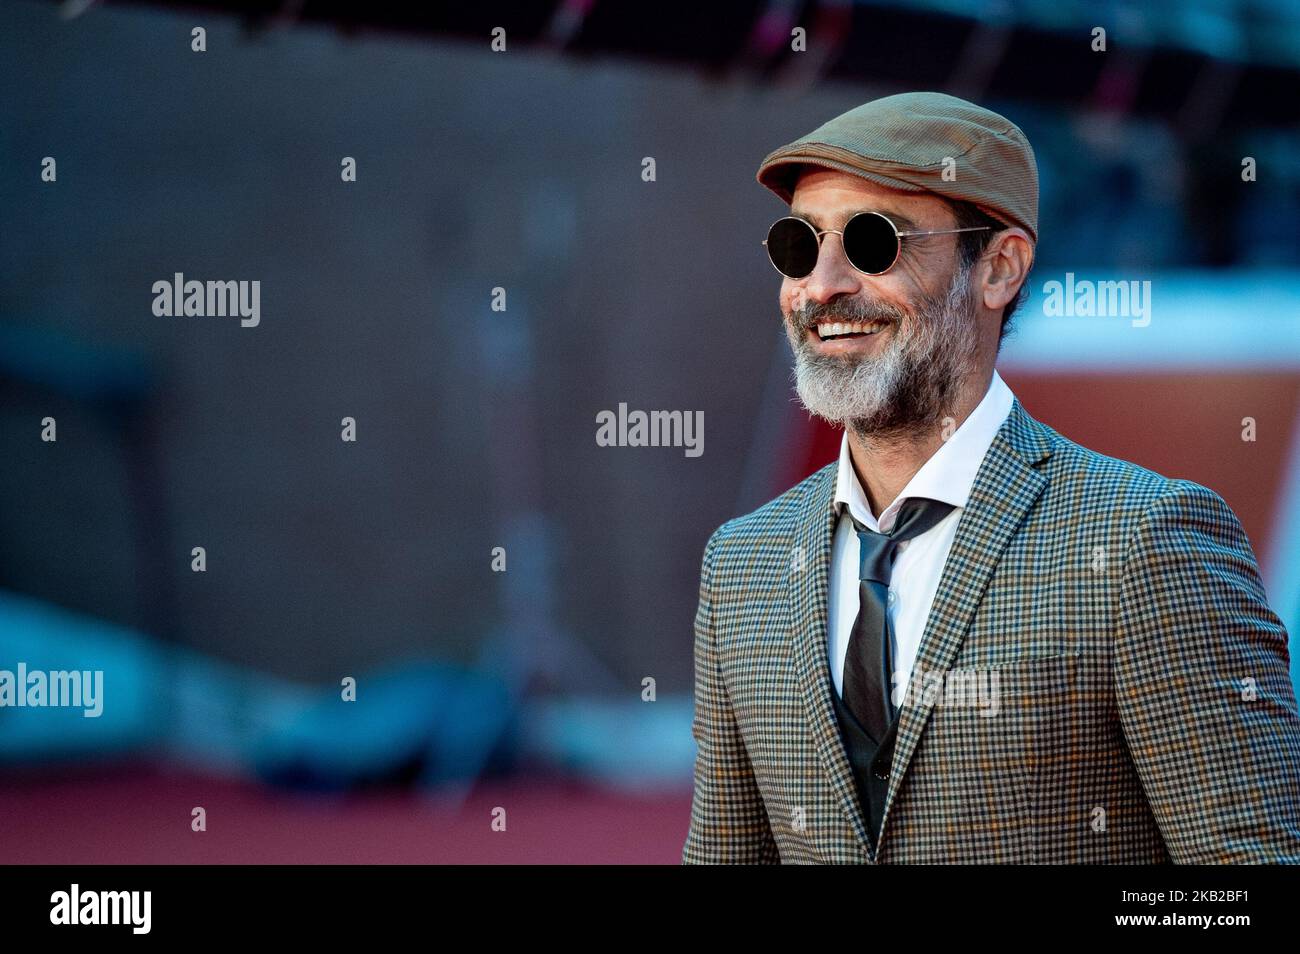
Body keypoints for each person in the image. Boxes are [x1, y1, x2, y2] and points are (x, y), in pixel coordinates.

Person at [682, 91, 1300, 864]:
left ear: (1000, 268)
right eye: (797, 246)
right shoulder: (743, 566)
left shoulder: (1147, 540)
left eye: (874, 243)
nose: (823, 284)